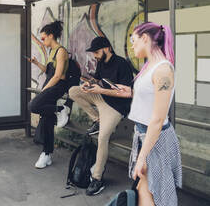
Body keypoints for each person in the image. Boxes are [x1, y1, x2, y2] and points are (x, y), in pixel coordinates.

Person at [117, 22, 182, 206]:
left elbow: (158, 118)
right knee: (145, 192)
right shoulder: (151, 66)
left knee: (150, 195)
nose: (131, 45)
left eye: (133, 40)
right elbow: (150, 97)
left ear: (144, 38)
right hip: (145, 136)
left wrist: (142, 157)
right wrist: (129, 92)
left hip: (155, 139)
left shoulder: (163, 69)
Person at [67, 36, 133, 196]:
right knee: (73, 91)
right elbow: (98, 79)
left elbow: (126, 94)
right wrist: (90, 84)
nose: (95, 56)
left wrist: (100, 90)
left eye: (97, 52)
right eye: (94, 53)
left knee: (102, 138)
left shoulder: (123, 64)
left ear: (107, 48)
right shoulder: (101, 62)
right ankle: (97, 119)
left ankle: (97, 178)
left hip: (116, 106)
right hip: (101, 98)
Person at [27, 20, 69, 169]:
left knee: (33, 105)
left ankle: (61, 109)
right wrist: (37, 63)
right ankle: (47, 154)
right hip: (51, 85)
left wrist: (44, 90)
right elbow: (49, 71)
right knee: (47, 118)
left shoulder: (61, 51)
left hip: (57, 86)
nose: (42, 41)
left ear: (51, 36)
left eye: (44, 38)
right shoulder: (52, 51)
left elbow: (58, 76)